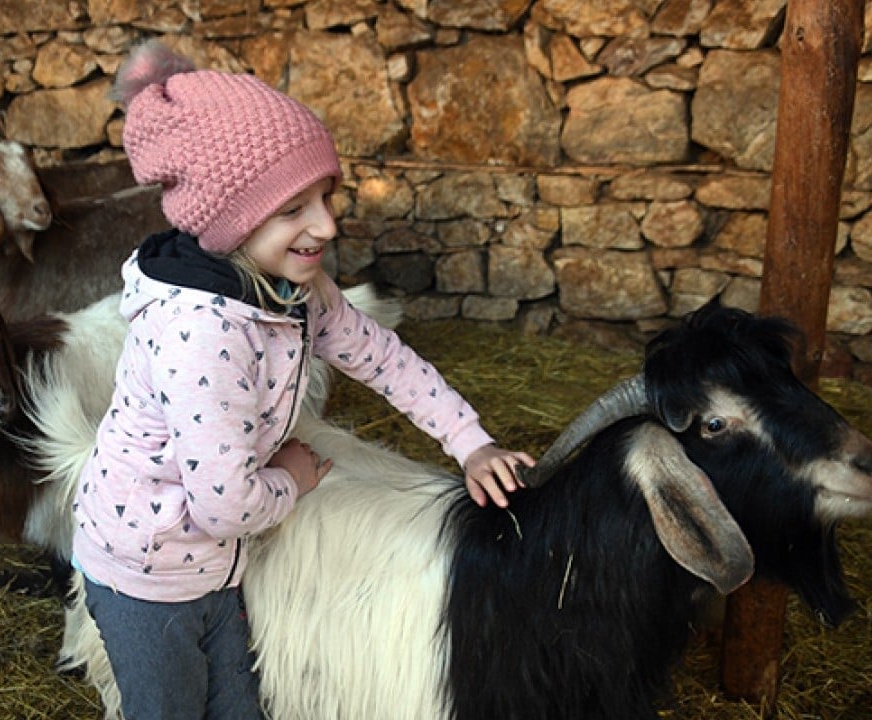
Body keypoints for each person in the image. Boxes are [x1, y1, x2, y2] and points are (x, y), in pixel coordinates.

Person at [72, 40, 536, 720]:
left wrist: (470, 442)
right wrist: (294, 476)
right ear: (228, 220)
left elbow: (381, 356)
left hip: (217, 559)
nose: (327, 222)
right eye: (294, 208)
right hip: (147, 567)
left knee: (238, 704)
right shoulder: (203, 333)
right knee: (169, 709)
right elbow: (224, 504)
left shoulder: (291, 289)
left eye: (327, 194)